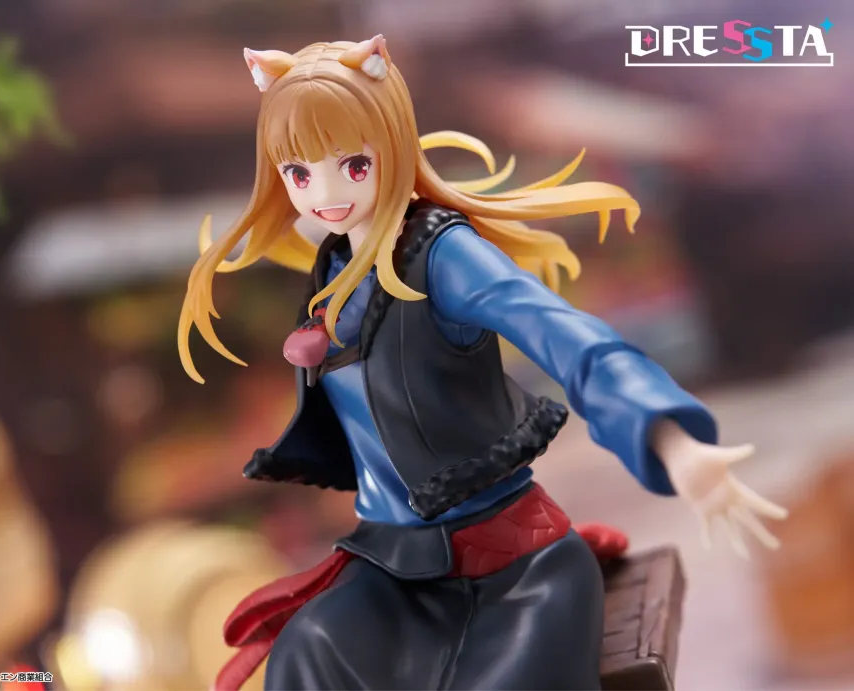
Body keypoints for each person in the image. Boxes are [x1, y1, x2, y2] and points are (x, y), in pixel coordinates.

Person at [177, 35, 788, 691]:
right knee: (306, 650)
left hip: (513, 571)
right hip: (392, 570)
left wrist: (668, 438)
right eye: (300, 174)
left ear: (393, 146)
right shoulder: (332, 268)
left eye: (353, 165)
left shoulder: (444, 256)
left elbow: (565, 336)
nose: (324, 192)